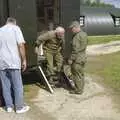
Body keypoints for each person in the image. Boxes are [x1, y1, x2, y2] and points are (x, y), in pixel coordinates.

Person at [0, 17, 30, 113]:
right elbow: (21, 45)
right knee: (17, 85)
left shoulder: (0, 30)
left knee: (5, 85)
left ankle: (9, 106)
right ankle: (19, 107)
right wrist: (24, 60)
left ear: (7, 22)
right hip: (13, 61)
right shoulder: (16, 29)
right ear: (14, 23)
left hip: (1, 62)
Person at [67, 21, 88, 94]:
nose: (71, 30)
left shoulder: (77, 36)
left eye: (72, 28)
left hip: (77, 59)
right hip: (83, 58)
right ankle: (81, 88)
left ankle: (78, 90)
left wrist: (71, 59)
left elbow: (75, 50)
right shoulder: (84, 34)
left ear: (76, 27)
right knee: (81, 74)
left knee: (76, 75)